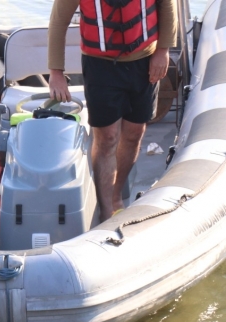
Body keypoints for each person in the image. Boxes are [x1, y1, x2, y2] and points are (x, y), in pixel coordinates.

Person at [47, 0, 177, 222]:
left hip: (144, 61)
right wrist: (56, 72)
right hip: (100, 65)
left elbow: (167, 5)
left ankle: (117, 194)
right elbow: (59, 21)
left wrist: (163, 50)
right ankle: (106, 207)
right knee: (107, 137)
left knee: (135, 132)